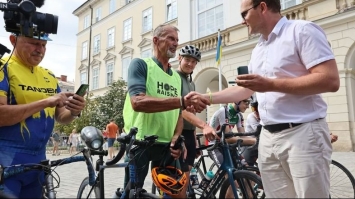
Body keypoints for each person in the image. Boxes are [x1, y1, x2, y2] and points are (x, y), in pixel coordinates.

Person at [186, 0, 340, 197]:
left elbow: (329, 80)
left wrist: (270, 84)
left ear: (263, 7)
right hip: (268, 137)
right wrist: (206, 97)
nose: (242, 22)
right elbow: (244, 90)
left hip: (303, 134)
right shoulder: (259, 48)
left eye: (244, 14)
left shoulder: (302, 31)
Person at [121, 24, 209, 198]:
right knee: (133, 193)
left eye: (177, 40)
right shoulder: (140, 65)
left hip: (167, 146)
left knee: (174, 193)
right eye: (170, 38)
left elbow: (177, 113)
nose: (175, 43)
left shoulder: (176, 77)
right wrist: (180, 101)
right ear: (155, 40)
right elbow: (138, 102)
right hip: (140, 143)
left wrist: (177, 136)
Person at [0, 32, 86, 198]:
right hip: (6, 160)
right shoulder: (3, 67)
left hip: (39, 160)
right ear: (13, 40)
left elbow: (61, 116)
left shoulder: (48, 75)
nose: (40, 50)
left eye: (44, 45)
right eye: (33, 43)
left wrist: (75, 111)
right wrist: (45, 102)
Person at [175, 45, 216, 197]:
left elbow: (190, 112)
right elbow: (180, 111)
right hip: (178, 133)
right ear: (180, 58)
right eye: (187, 60)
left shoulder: (191, 83)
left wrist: (195, 139)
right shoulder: (174, 78)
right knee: (179, 182)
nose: (190, 64)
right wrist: (203, 125)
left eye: (194, 62)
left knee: (185, 182)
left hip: (189, 133)